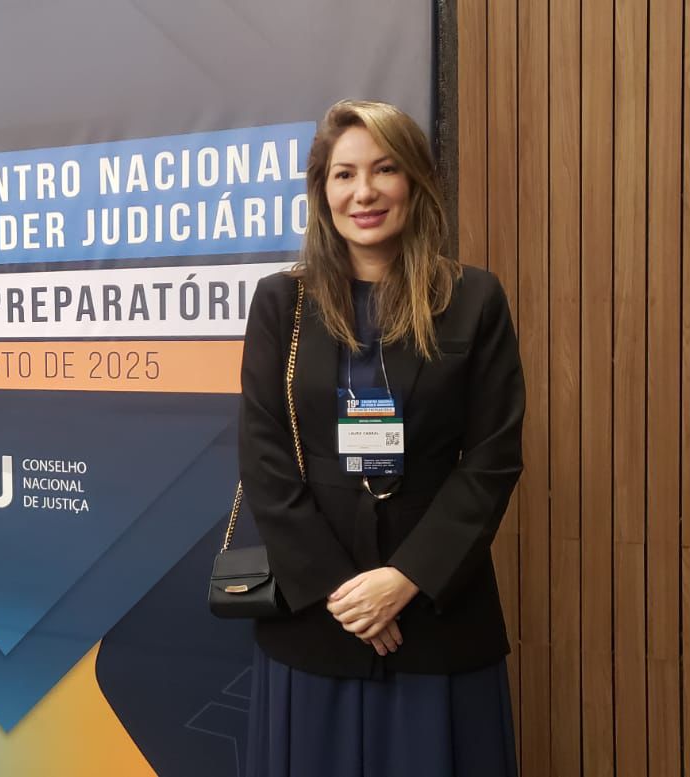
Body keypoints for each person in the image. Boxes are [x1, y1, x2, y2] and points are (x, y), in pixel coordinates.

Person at [238, 100, 523, 776]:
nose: (362, 192)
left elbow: (493, 457)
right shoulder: (283, 303)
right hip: (316, 621)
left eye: (383, 169)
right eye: (343, 175)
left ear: (416, 180)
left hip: (436, 619)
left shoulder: (474, 299)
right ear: (322, 192)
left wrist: (405, 579)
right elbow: (264, 453)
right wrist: (344, 591)